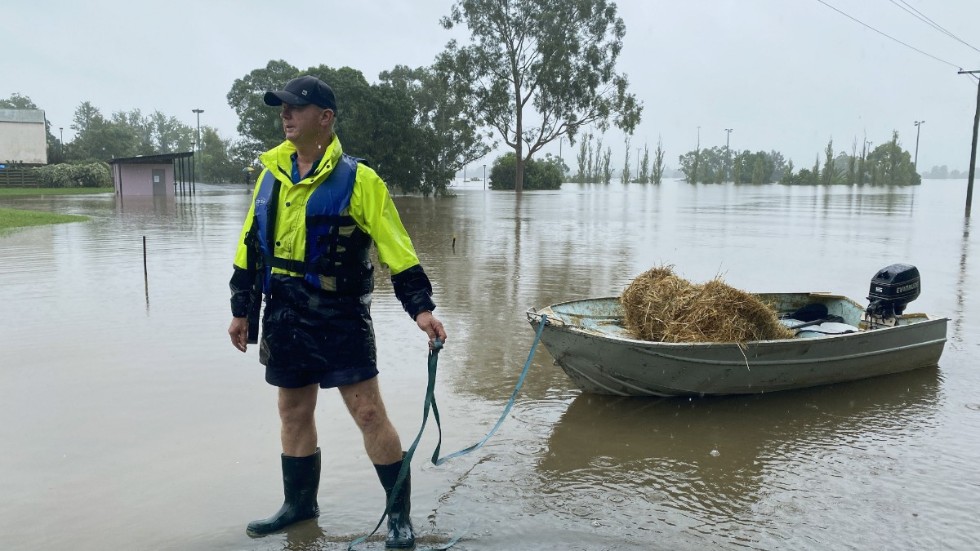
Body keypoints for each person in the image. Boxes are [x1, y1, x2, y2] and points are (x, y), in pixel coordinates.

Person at [227, 75, 447, 548]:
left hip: (339, 314)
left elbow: (397, 248)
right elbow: (250, 247)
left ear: (324, 118)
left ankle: (399, 518)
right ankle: (299, 507)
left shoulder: (359, 179)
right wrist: (242, 308)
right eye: (281, 108)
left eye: (295, 108)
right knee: (292, 411)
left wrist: (421, 309)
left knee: (368, 412)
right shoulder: (269, 177)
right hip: (284, 311)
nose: (285, 115)